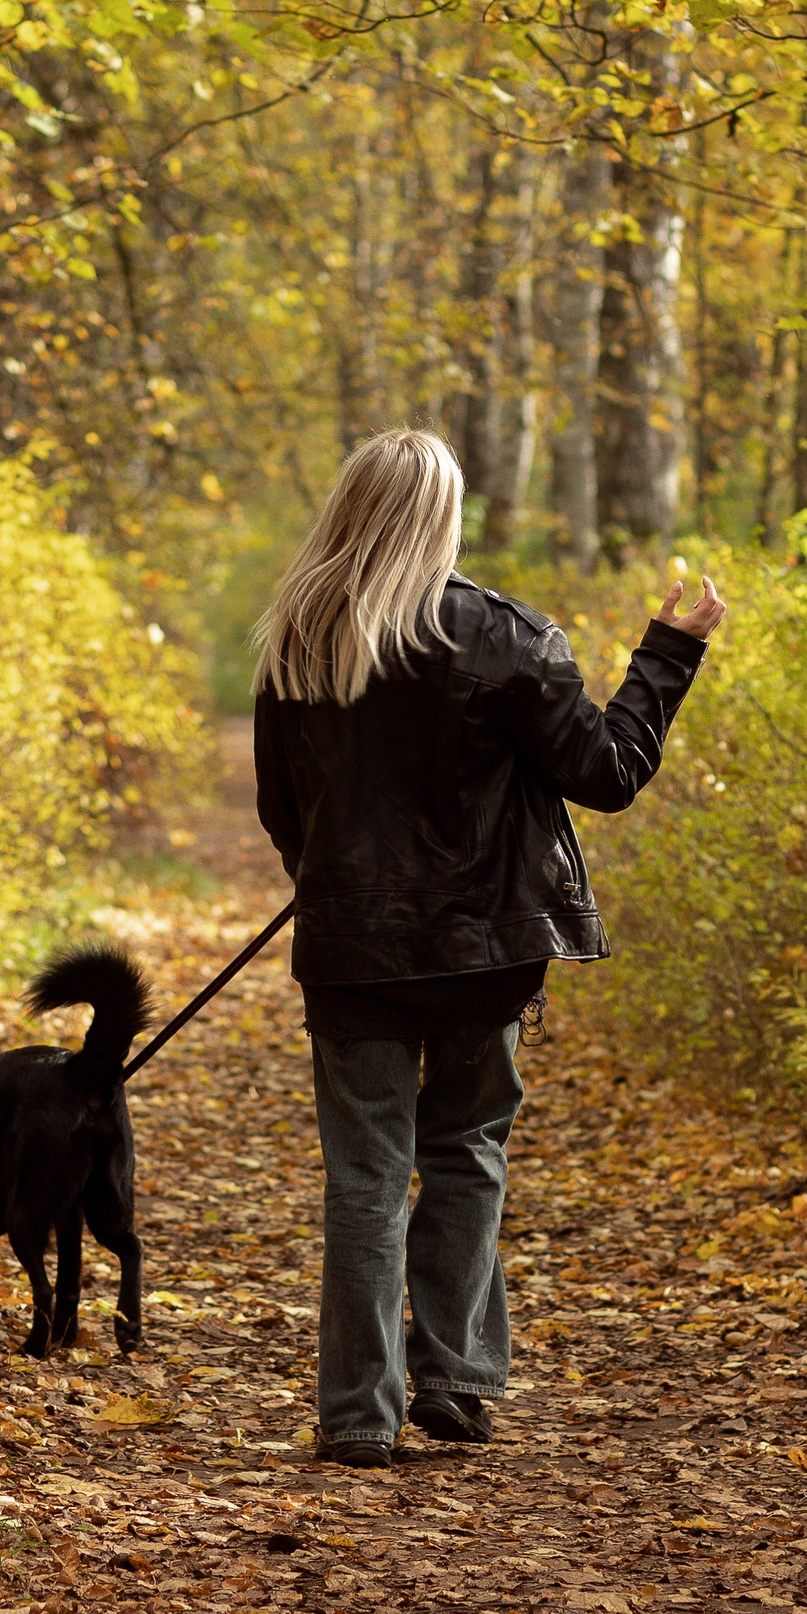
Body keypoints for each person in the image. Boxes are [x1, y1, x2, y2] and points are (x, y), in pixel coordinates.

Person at [251, 428, 727, 1469]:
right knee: (465, 1152)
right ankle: (456, 1383)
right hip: (484, 954)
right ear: (443, 516)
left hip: (353, 954)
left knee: (365, 1177)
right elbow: (606, 772)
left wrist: (337, 887)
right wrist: (667, 651)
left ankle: (357, 1414)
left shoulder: (299, 641)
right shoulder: (507, 637)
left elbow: (282, 811)